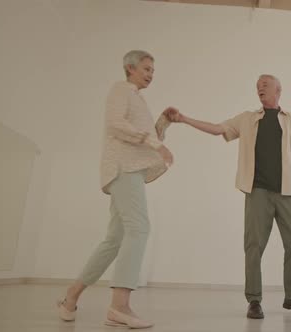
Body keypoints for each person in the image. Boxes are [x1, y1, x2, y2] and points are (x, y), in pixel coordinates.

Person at [164, 74, 291, 319]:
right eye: (257, 87)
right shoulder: (246, 119)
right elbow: (217, 129)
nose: (260, 89)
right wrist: (183, 119)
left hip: (288, 191)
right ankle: (254, 300)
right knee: (254, 245)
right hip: (258, 191)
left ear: (278, 90)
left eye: (265, 85)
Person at [56, 50, 174, 329]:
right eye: (146, 68)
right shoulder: (121, 89)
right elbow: (115, 125)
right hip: (123, 169)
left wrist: (163, 123)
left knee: (114, 240)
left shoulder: (137, 98)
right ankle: (119, 307)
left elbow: (143, 137)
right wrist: (157, 144)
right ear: (130, 67)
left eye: (153, 70)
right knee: (140, 229)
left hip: (129, 169)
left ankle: (70, 298)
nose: (150, 74)